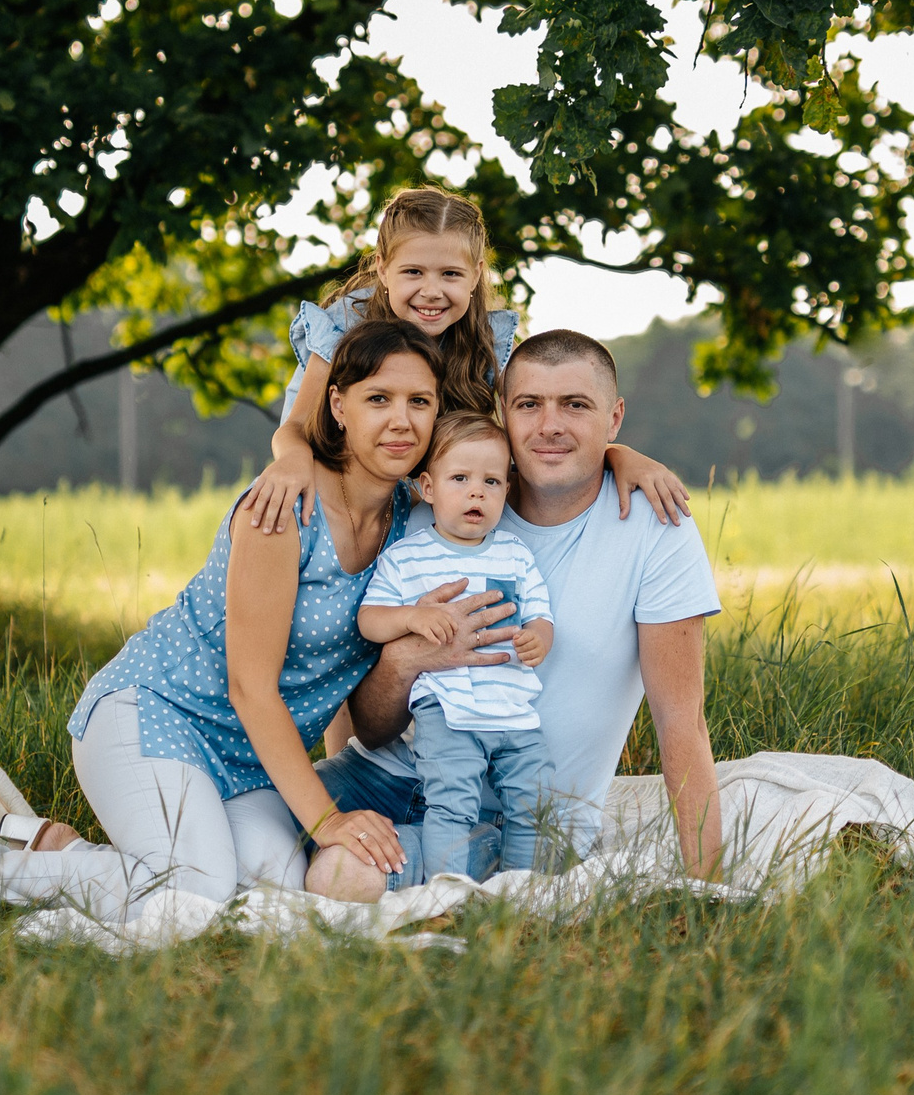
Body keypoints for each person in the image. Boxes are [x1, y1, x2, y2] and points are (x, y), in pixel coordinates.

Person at [0, 319, 435, 926]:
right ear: (338, 404)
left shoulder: (415, 524)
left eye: (420, 402)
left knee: (275, 894)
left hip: (252, 760)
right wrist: (328, 819)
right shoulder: (285, 506)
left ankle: (65, 852)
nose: (401, 420)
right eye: (378, 399)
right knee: (193, 891)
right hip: (156, 714)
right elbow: (250, 687)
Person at [315, 330, 725, 898]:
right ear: (503, 415)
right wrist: (409, 656)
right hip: (390, 773)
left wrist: (709, 888)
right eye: (528, 404)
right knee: (249, 810)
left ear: (614, 419)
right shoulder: (446, 511)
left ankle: (471, 877)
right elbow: (371, 722)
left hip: (519, 813)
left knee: (338, 876)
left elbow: (682, 721)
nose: (549, 425)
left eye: (575, 406)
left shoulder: (655, 525)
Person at [237, 186, 692, 535]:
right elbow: (294, 428)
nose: (432, 292)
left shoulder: (485, 343)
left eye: (450, 274)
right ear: (382, 268)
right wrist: (291, 462)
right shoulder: (344, 327)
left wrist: (617, 455)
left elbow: (530, 426)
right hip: (339, 503)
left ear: (476, 275)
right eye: (413, 272)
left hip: (428, 513)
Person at [356, 410, 566, 883]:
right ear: (428, 489)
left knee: (533, 802)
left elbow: (540, 614)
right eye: (460, 478)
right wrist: (412, 617)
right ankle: (446, 894)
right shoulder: (407, 557)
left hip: (514, 709)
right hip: (446, 710)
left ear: (506, 491)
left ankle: (520, 892)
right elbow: (370, 621)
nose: (477, 491)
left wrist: (539, 638)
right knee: (451, 803)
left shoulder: (514, 552)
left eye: (492, 481)